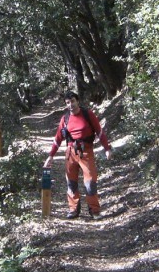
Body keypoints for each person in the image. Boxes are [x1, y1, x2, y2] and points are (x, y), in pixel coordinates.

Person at [43, 91, 112, 220]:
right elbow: (57, 139)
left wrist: (107, 148)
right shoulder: (65, 119)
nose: (71, 105)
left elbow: (99, 132)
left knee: (90, 181)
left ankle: (94, 210)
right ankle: (73, 209)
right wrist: (51, 155)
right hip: (70, 152)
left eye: (73, 101)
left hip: (86, 151)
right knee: (71, 182)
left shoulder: (88, 114)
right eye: (68, 103)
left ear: (77, 101)